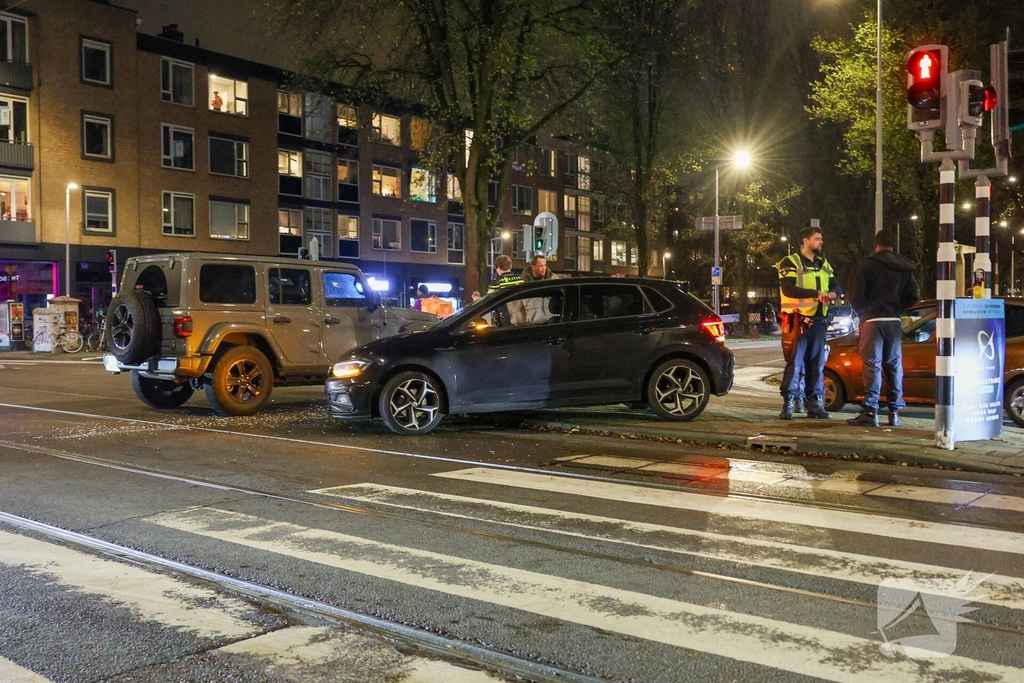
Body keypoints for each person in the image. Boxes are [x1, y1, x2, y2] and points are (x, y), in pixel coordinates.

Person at [846, 228, 919, 427]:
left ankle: (871, 411)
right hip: (894, 321)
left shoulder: (865, 266)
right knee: (894, 366)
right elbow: (913, 297)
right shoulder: (905, 268)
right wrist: (896, 309)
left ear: (876, 245)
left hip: (872, 321)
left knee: (872, 365)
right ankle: (894, 412)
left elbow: (855, 297)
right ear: (893, 245)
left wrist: (865, 311)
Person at [777, 223, 838, 420]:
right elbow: (788, 289)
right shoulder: (790, 262)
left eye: (820, 238)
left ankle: (815, 404)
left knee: (817, 364)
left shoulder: (823, 263)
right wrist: (817, 294)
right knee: (795, 363)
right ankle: (789, 403)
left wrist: (835, 292)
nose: (821, 242)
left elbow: (836, 283)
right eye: (817, 238)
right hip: (797, 320)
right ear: (806, 241)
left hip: (819, 321)